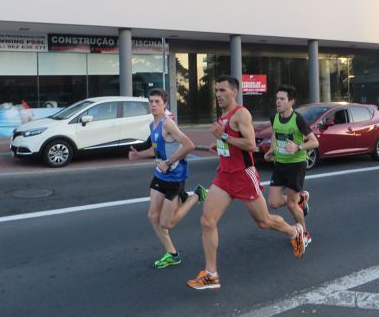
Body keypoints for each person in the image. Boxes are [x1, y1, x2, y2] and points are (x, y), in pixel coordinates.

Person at [187, 75, 306, 291]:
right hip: (224, 175)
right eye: (216, 90)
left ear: (235, 92)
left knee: (263, 221)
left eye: (223, 90)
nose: (218, 94)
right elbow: (229, 142)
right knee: (207, 221)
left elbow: (251, 145)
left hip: (244, 176)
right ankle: (211, 275)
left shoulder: (241, 113)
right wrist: (220, 145)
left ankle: (294, 231)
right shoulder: (222, 114)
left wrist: (224, 138)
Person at [129, 88, 208, 269]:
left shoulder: (168, 124)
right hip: (160, 175)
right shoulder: (153, 125)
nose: (153, 105)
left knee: (167, 223)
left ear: (165, 104)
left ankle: (196, 194)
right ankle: (172, 254)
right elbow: (156, 150)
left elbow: (189, 145)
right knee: (152, 215)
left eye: (157, 101)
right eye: (151, 101)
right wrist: (138, 155)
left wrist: (169, 161)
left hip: (174, 177)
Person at [265, 85, 319, 247]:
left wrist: (298, 147)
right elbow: (275, 133)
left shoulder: (298, 119)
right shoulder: (274, 117)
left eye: (282, 99)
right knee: (273, 203)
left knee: (291, 204)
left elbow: (314, 142)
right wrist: (271, 150)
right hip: (280, 164)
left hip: (296, 165)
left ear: (291, 102)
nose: (278, 102)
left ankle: (305, 234)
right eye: (277, 98)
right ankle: (302, 198)